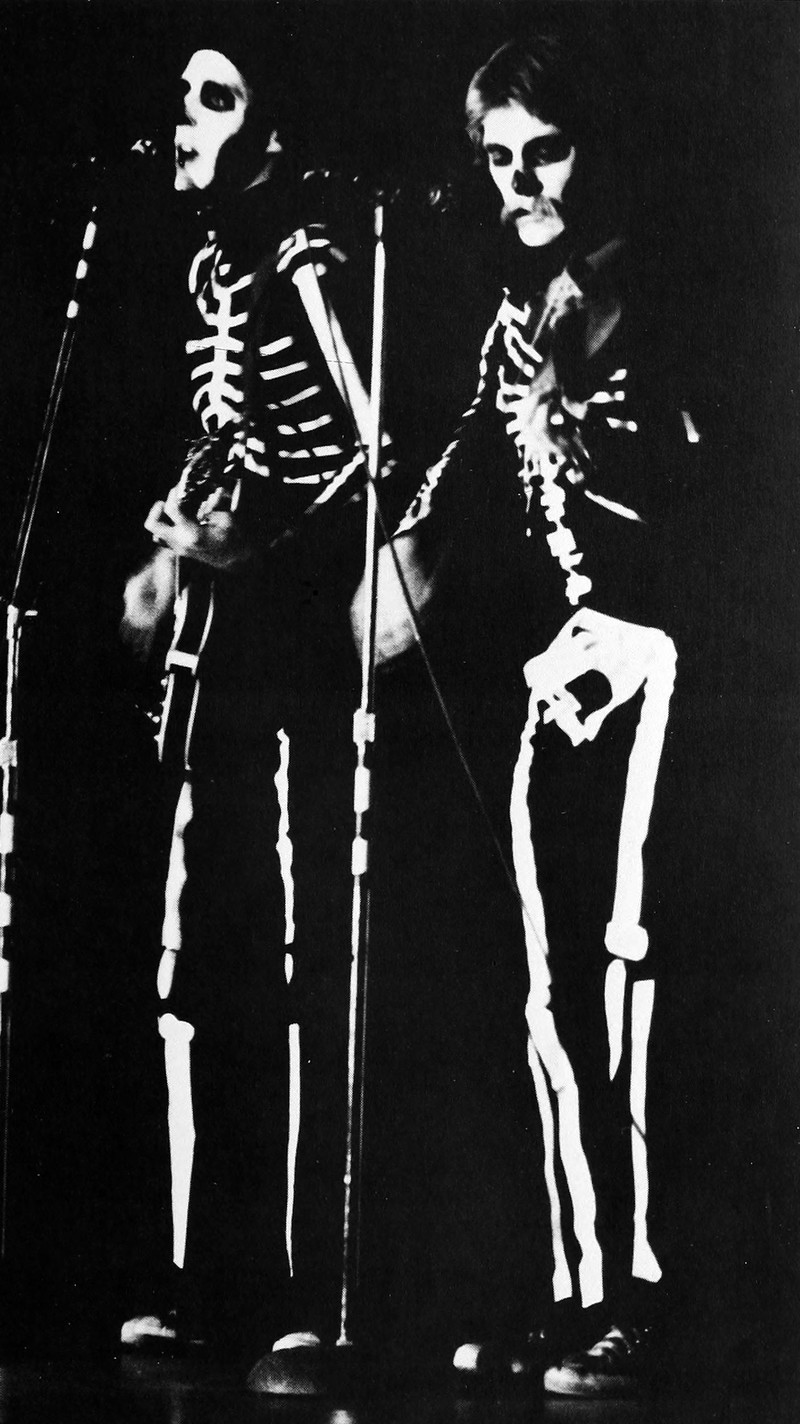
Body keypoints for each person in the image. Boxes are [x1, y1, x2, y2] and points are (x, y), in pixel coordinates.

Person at [366, 32, 699, 1397]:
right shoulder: (523, 311)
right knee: (550, 998)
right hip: (557, 683)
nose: (520, 182)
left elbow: (712, 494)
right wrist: (404, 554)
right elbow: (472, 466)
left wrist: (589, 445)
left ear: (591, 147)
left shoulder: (661, 298)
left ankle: (654, 1296)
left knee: (630, 986)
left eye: (543, 151)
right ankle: (578, 1288)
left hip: (660, 668)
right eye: (497, 159)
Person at [119, 28, 388, 1365]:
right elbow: (217, 436)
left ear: (270, 127)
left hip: (294, 635)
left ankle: (296, 1287)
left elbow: (370, 448)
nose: (184, 117)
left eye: (215, 99)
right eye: (181, 95)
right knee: (193, 939)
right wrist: (171, 553)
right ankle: (196, 1276)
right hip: (214, 638)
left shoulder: (304, 251)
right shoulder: (203, 262)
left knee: (286, 950)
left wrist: (257, 547)